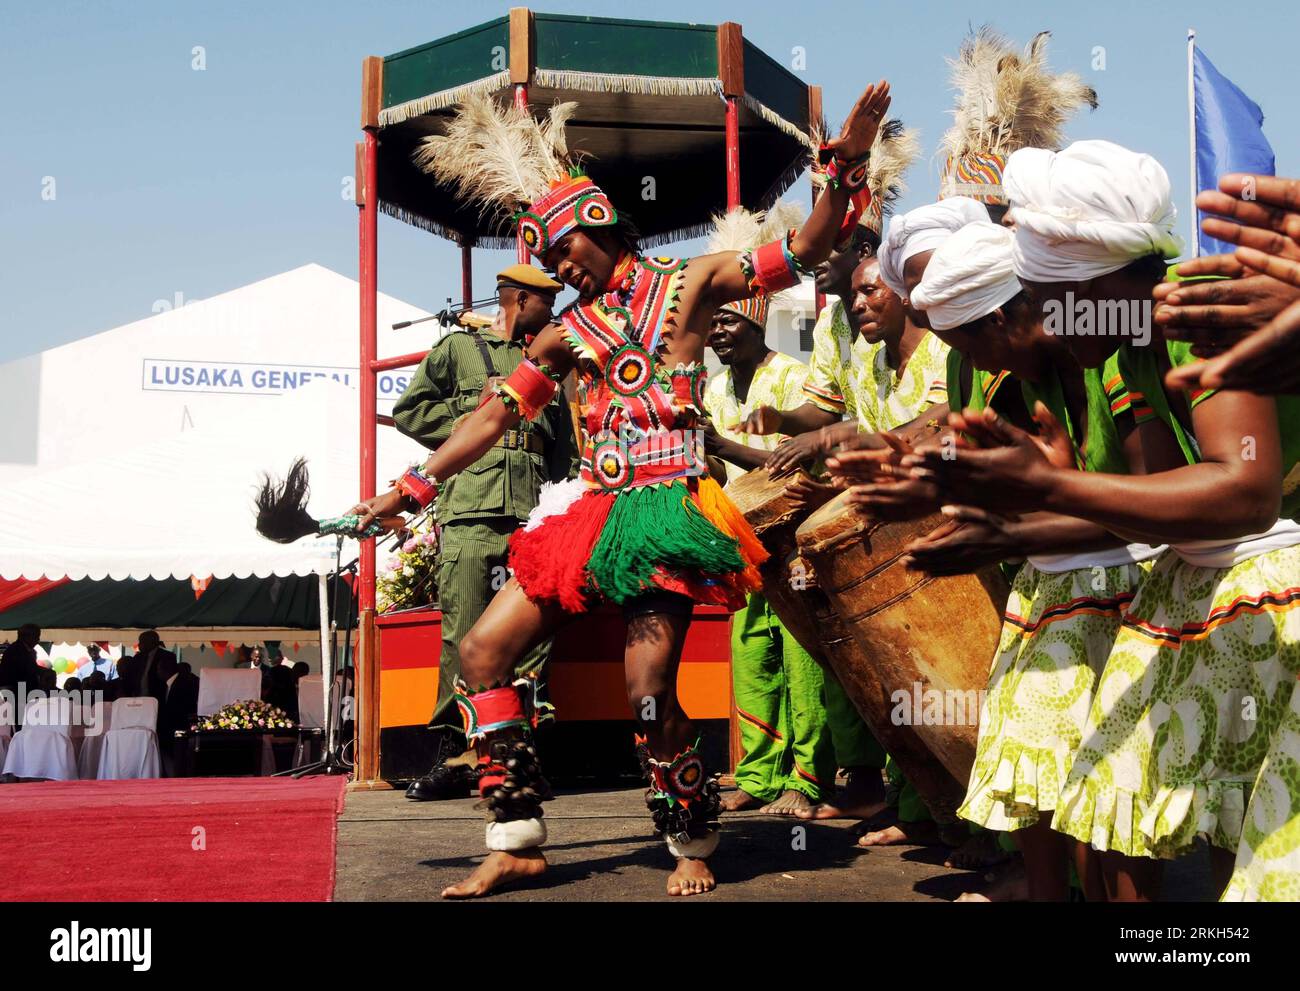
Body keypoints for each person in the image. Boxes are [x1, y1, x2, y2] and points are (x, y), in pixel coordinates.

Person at [343, 83, 891, 897]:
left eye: (563, 250)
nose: (559, 270)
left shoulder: (693, 282)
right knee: (483, 650)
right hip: (591, 512)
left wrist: (841, 176)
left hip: (668, 506)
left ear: (600, 226)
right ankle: (518, 833)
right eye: (549, 258)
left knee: (646, 691)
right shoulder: (566, 331)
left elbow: (805, 251)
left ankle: (690, 833)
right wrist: (412, 486)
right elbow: (495, 415)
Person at [900, 140, 1300, 902]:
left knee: (1247, 836)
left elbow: (1246, 491)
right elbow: (1153, 500)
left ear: (1092, 286)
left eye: (1044, 298)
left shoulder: (1204, 308)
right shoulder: (1125, 354)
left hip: (1271, 584)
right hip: (1207, 582)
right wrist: (1019, 523)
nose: (1042, 322)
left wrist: (1048, 492)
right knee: (1132, 793)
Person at [891, 220, 1167, 900]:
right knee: (1037, 766)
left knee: (1109, 798)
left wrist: (1018, 526)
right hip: (1054, 589)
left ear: (1009, 314)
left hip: (1132, 594)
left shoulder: (1109, 360)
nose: (977, 370)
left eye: (972, 346)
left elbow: (1148, 509)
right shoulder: (1025, 383)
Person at [393, 263, 579, 802]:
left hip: (531, 515)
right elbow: (410, 412)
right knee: (463, 632)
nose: (554, 314)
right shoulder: (458, 349)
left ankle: (521, 755)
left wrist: (564, 511)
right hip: (471, 509)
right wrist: (469, 413)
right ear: (519, 300)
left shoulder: (547, 362)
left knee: (532, 638)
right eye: (546, 303)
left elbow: (563, 449)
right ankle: (457, 756)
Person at [697, 207, 835, 816]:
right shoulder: (713, 388)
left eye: (729, 321)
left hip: (790, 540)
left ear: (757, 325)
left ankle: (806, 781)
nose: (719, 333)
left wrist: (720, 445)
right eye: (713, 325)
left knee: (801, 656)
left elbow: (790, 466)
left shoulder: (792, 378)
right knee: (751, 655)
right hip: (734, 541)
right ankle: (757, 776)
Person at [155, 652, 199, 775]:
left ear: (165, 669)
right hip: (173, 734)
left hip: (180, 732)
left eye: (158, 669)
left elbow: (182, 709)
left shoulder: (184, 682)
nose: (157, 672)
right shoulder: (168, 685)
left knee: (178, 766)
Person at [116, 631, 174, 702]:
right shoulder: (138, 657)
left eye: (141, 641)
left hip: (157, 699)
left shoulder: (166, 656)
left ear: (151, 642)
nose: (139, 644)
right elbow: (129, 675)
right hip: (137, 699)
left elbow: (169, 678)